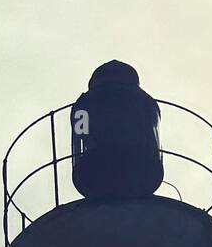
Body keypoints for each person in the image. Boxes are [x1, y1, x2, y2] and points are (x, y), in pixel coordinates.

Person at [70, 61, 163, 201]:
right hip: (137, 165)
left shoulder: (83, 109)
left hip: (95, 167)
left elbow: (82, 131)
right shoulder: (142, 104)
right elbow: (82, 131)